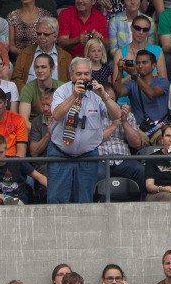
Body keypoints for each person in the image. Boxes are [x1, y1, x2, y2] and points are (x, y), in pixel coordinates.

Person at [47, 58, 120, 204]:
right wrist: (74, 96)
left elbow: (116, 115)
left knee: (85, 200)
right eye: (78, 73)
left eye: (86, 73)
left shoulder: (97, 93)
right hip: (61, 153)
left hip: (87, 155)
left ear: (91, 74)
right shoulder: (62, 91)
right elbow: (56, 115)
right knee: (56, 199)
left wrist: (104, 96)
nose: (83, 77)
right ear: (71, 75)